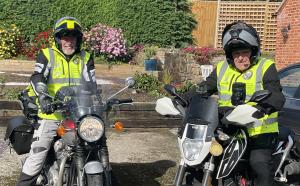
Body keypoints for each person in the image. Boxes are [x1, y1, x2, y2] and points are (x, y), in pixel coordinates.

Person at [185, 21, 285, 185]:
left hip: (259, 131)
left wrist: (262, 107)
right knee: (204, 160)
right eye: (236, 53)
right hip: (228, 129)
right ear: (229, 55)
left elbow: (276, 95)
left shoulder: (265, 66)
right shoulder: (222, 68)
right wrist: (183, 98)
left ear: (253, 51)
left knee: (259, 164)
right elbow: (203, 89)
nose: (240, 57)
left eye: (244, 52)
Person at [17, 16, 107, 185]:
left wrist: (94, 99)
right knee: (37, 155)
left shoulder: (85, 57)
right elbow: (37, 78)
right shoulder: (47, 55)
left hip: (78, 114)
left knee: (95, 144)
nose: (69, 41)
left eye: (72, 37)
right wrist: (43, 97)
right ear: (58, 39)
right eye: (65, 37)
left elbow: (92, 84)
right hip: (51, 113)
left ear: (78, 40)